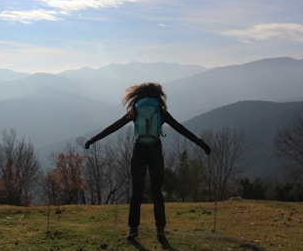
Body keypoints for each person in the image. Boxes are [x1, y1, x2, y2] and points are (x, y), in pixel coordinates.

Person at [84, 82, 210, 239]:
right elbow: (181, 129)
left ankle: (133, 229)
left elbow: (114, 127)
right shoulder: (161, 112)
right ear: (158, 95)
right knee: (157, 191)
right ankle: (160, 229)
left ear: (138, 95)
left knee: (137, 191)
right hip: (155, 150)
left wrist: (92, 140)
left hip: (139, 151)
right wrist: (201, 144)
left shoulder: (135, 110)